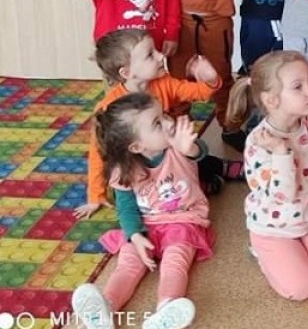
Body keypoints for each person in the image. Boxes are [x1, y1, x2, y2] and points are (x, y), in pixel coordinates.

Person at [71, 93, 214, 329]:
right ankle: (106, 308)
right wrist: (134, 235)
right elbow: (125, 208)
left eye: (164, 114)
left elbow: (198, 152)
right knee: (128, 264)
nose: (168, 122)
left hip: (183, 221)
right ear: (136, 146)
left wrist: (189, 147)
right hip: (146, 225)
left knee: (175, 262)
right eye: (157, 123)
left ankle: (167, 306)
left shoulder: (178, 148)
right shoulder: (123, 169)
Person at [226, 50, 308, 301]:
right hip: (274, 229)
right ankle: (261, 251)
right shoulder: (257, 143)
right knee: (303, 288)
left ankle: (300, 249)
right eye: (298, 87)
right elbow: (285, 195)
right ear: (272, 100)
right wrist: (281, 152)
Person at [75, 29, 224, 220]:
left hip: (169, 157)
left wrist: (210, 79)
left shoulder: (163, 82)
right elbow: (98, 152)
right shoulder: (109, 107)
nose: (161, 56)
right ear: (127, 72)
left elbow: (198, 92)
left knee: (201, 160)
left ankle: (219, 170)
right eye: (150, 55)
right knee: (129, 192)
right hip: (137, 167)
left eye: (156, 50)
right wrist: (95, 195)